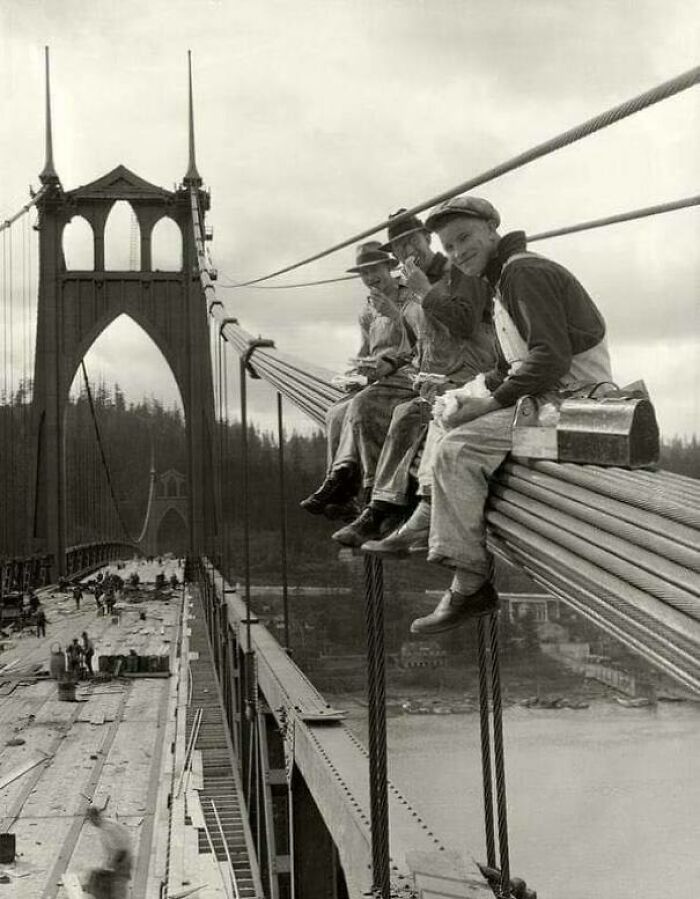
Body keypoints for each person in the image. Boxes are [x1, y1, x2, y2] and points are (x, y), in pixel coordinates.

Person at [402, 196, 611, 635]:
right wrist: (462, 394)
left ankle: (469, 585)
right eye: (449, 246)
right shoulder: (503, 279)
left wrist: (489, 404)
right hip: (543, 393)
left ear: (492, 230)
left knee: (458, 451)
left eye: (465, 238)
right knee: (448, 408)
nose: (458, 252)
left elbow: (549, 359)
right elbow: (507, 365)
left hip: (571, 401)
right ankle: (427, 513)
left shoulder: (522, 274)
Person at [331, 208, 496, 547]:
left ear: (427, 238)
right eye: (400, 249)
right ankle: (375, 504)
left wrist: (423, 292)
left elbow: (464, 325)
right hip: (434, 378)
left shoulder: (459, 272)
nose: (408, 253)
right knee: (368, 410)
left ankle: (381, 509)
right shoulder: (411, 281)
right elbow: (423, 338)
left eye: (412, 242)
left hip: (470, 378)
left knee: (404, 414)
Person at [300, 241, 421, 519]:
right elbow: (366, 350)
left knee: (361, 405)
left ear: (389, 268)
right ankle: (337, 480)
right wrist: (356, 373)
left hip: (407, 377)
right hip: (378, 380)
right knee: (335, 412)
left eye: (374, 270)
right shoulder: (367, 310)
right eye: (363, 273)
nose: (369, 278)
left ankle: (365, 487)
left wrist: (395, 315)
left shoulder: (412, 299)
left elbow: (423, 345)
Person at [85, 805, 133, 899]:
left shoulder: (108, 829)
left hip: (121, 862)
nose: (90, 821)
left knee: (117, 891)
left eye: (90, 818)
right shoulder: (105, 826)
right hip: (119, 862)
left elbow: (120, 850)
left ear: (96, 817)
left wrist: (111, 866)